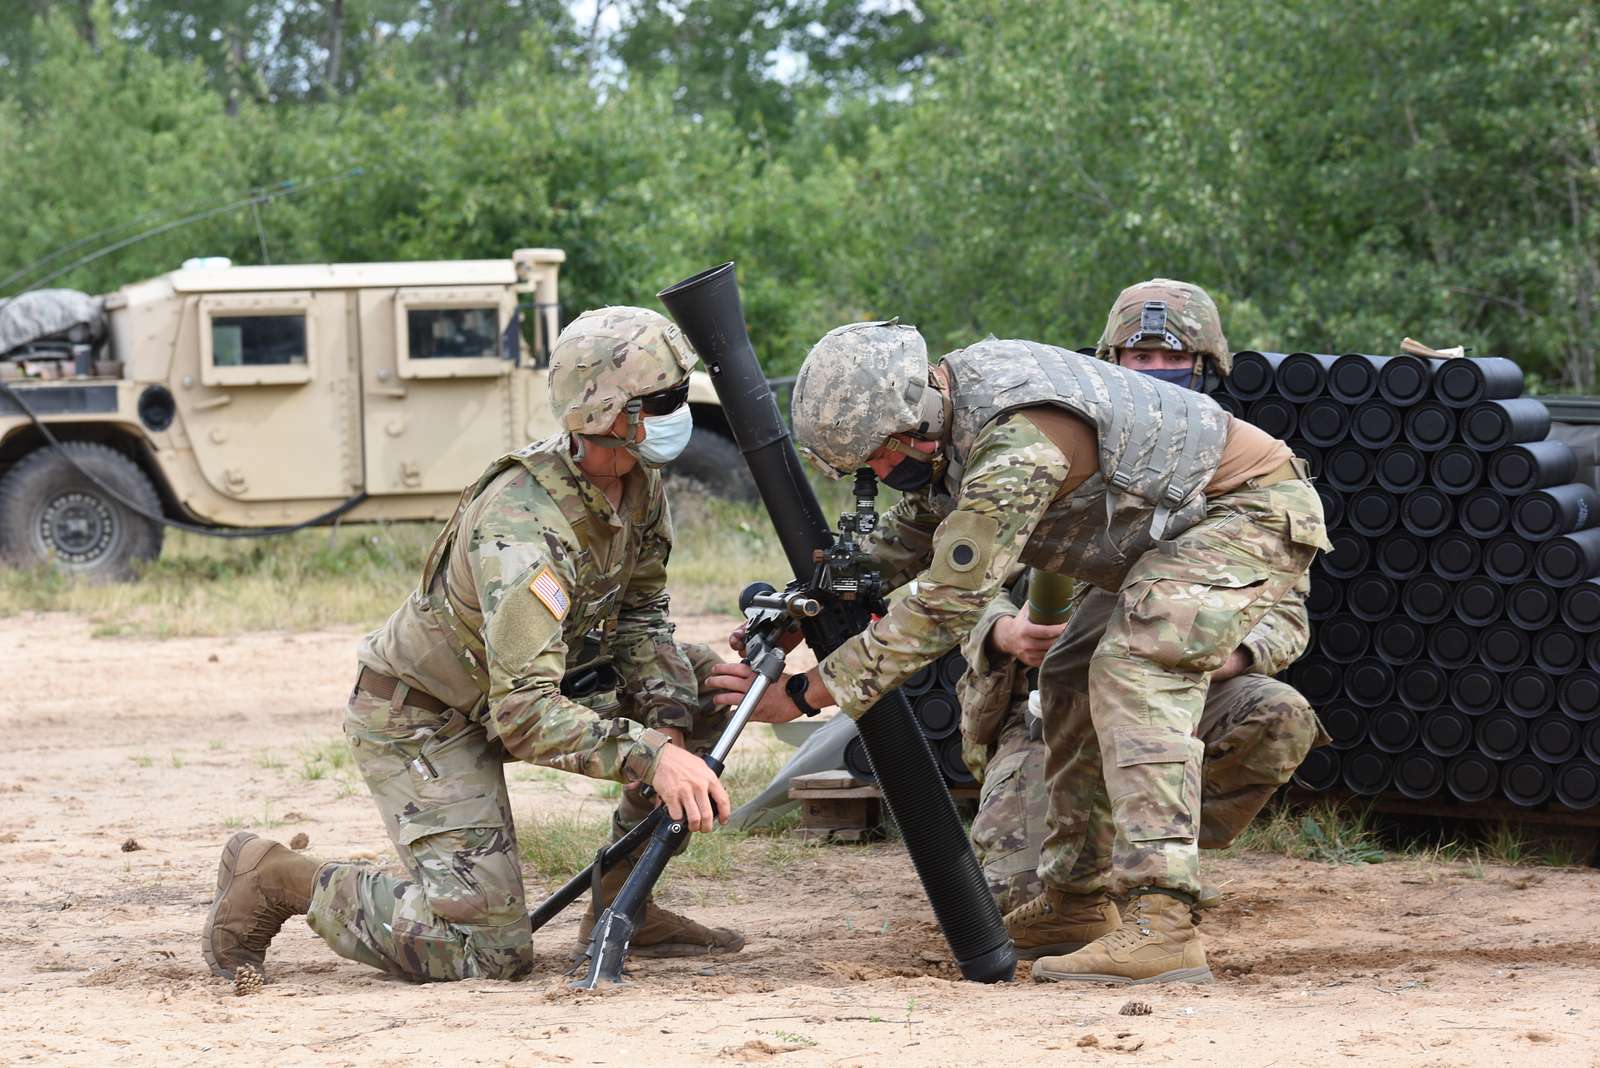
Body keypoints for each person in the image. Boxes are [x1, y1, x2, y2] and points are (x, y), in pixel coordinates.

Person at [714, 279, 1327, 986]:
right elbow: (914, 532)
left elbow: (946, 601)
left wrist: (809, 690)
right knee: (1068, 674)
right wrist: (804, 609)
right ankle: (1075, 900)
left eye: (881, 458)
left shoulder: (1017, 443)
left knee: (1136, 667)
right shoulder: (954, 408)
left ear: (914, 420)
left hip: (1243, 510)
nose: (882, 475)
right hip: (1165, 534)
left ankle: (1165, 922)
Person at [201, 307, 745, 984]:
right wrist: (650, 757)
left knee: (702, 682)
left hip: (523, 684)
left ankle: (625, 903)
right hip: (427, 716)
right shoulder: (523, 530)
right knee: (486, 952)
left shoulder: (635, 482)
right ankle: (279, 877)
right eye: (657, 401)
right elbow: (522, 713)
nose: (675, 412)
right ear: (604, 414)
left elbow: (639, 614)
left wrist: (667, 723)